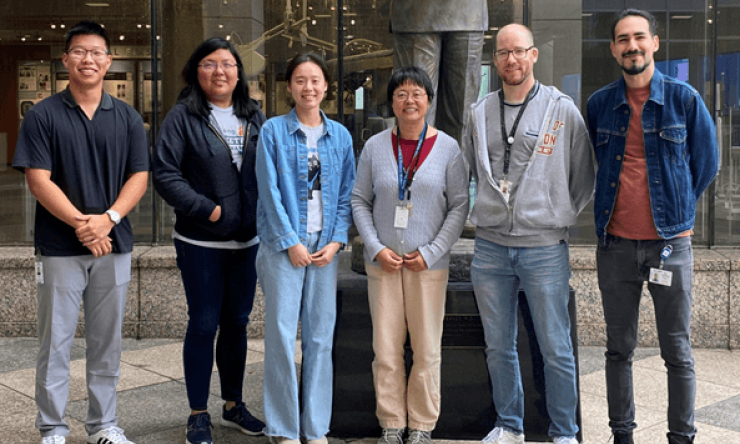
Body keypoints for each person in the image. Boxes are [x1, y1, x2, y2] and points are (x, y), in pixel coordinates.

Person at [11, 21, 149, 444]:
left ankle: (103, 425)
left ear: (109, 61)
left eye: (96, 52)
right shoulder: (43, 114)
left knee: (106, 344)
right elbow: (39, 179)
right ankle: (52, 428)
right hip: (58, 248)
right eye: (79, 51)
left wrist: (107, 219)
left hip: (114, 244)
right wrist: (82, 226)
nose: (88, 59)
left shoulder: (126, 117)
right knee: (55, 343)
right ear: (66, 59)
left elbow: (139, 176)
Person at [586, 9, 719, 444]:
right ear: (613, 49)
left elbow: (706, 163)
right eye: (622, 40)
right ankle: (621, 435)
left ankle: (682, 437)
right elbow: (596, 165)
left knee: (677, 353)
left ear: (655, 43)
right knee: (618, 350)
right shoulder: (600, 104)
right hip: (616, 245)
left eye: (639, 37)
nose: (632, 46)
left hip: (670, 246)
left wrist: (676, 214)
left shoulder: (684, 100)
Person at [462, 23, 595, 444]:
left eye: (519, 51)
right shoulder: (479, 112)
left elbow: (584, 174)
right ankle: (509, 425)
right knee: (498, 346)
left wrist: (556, 213)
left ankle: (564, 432)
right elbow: (465, 172)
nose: (511, 60)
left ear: (534, 55)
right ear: (495, 59)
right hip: (490, 248)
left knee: (556, 347)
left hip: (543, 249)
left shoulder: (561, 109)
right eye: (503, 53)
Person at [152, 38, 267, 444]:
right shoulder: (183, 117)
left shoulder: (254, 116)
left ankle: (233, 405)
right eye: (209, 64)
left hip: (248, 242)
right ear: (195, 72)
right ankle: (198, 413)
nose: (220, 71)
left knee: (237, 324)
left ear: (239, 72)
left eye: (228, 64)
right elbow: (165, 174)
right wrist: (207, 209)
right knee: (203, 324)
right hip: (201, 241)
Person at [352, 66, 469, 444]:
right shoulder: (374, 146)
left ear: (429, 101)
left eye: (417, 93)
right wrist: (375, 247)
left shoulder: (449, 148)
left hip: (427, 267)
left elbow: (459, 207)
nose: (409, 100)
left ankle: (421, 424)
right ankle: (391, 422)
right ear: (391, 102)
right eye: (401, 93)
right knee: (385, 349)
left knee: (426, 349)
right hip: (383, 264)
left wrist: (433, 252)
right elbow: (359, 200)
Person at [255, 52, 355, 444]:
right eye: (300, 80)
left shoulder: (341, 136)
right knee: (280, 335)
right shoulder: (273, 132)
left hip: (324, 248)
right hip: (285, 247)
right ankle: (282, 428)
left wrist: (336, 241)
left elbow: (347, 193)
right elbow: (269, 192)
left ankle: (315, 427)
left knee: (319, 336)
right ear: (289, 86)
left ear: (327, 86)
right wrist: (290, 241)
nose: (308, 87)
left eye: (315, 80)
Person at [390, 0, 487, 144]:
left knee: (462, 119)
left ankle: (457, 167)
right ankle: (415, 166)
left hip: (469, 13)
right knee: (415, 113)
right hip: (414, 14)